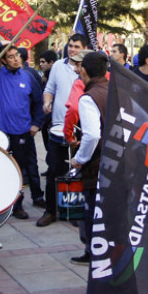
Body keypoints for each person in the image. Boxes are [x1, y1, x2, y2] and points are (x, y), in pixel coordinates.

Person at [0, 43, 45, 219]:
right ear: (2, 60)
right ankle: (16, 204)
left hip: (23, 129)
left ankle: (38, 196)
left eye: (17, 55)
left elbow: (38, 102)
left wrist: (36, 124)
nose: (16, 59)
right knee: (11, 169)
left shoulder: (28, 76)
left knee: (30, 165)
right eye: (10, 56)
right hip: (2, 131)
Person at [69, 52, 109, 287]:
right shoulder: (113, 91)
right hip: (116, 168)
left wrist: (80, 159)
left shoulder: (89, 97)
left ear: (84, 71)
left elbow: (93, 134)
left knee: (97, 228)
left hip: (97, 169)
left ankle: (100, 287)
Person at [42, 35, 88, 225]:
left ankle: (75, 212)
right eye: (70, 46)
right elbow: (49, 89)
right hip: (58, 128)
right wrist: (47, 102)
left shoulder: (88, 69)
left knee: (79, 171)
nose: (72, 50)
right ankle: (51, 211)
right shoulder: (58, 67)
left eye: (77, 47)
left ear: (84, 48)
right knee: (54, 170)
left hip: (82, 128)